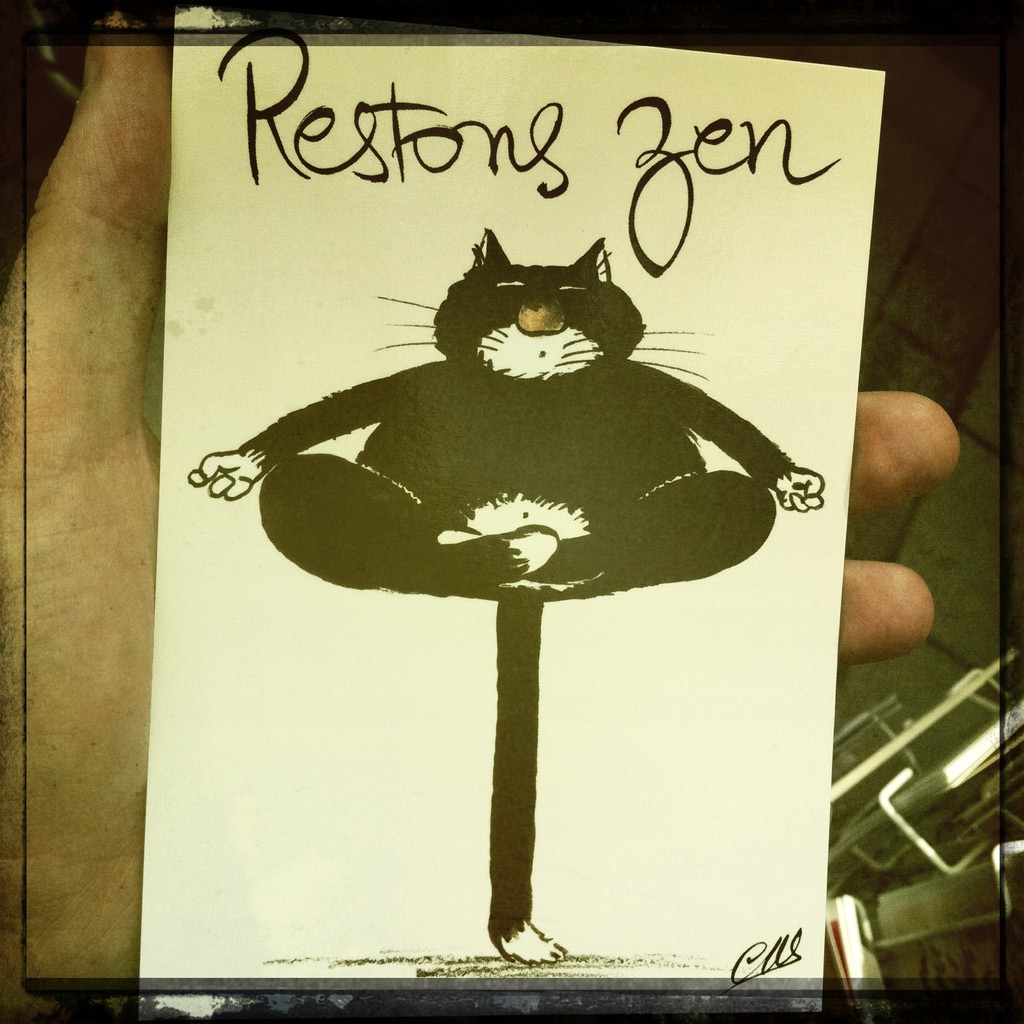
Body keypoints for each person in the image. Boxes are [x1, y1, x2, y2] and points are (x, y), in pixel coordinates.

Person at [0, 30, 960, 992]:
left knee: (734, 506)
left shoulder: (633, 387)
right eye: (515, 313)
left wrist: (778, 472)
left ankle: (562, 590)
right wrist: (256, 458)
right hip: (441, 536)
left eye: (560, 316)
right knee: (303, 494)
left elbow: (713, 425)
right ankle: (480, 573)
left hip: (601, 540)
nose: (536, 331)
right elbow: (340, 414)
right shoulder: (435, 381)